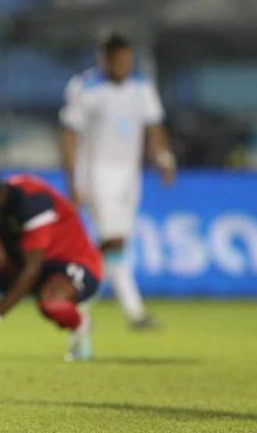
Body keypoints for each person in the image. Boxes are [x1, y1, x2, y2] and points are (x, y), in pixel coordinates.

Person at [59, 32, 175, 330]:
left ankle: (75, 300)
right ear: (105, 60)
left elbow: (154, 126)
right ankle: (132, 311)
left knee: (114, 244)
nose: (124, 66)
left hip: (129, 175)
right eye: (118, 61)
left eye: (127, 60)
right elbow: (70, 134)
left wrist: (164, 158)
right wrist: (72, 179)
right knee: (114, 242)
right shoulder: (86, 88)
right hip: (97, 173)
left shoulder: (142, 88)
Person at [0, 167, 103, 361]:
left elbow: (32, 269)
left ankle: (80, 324)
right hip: (28, 267)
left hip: (73, 265)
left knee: (52, 303)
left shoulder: (32, 200)